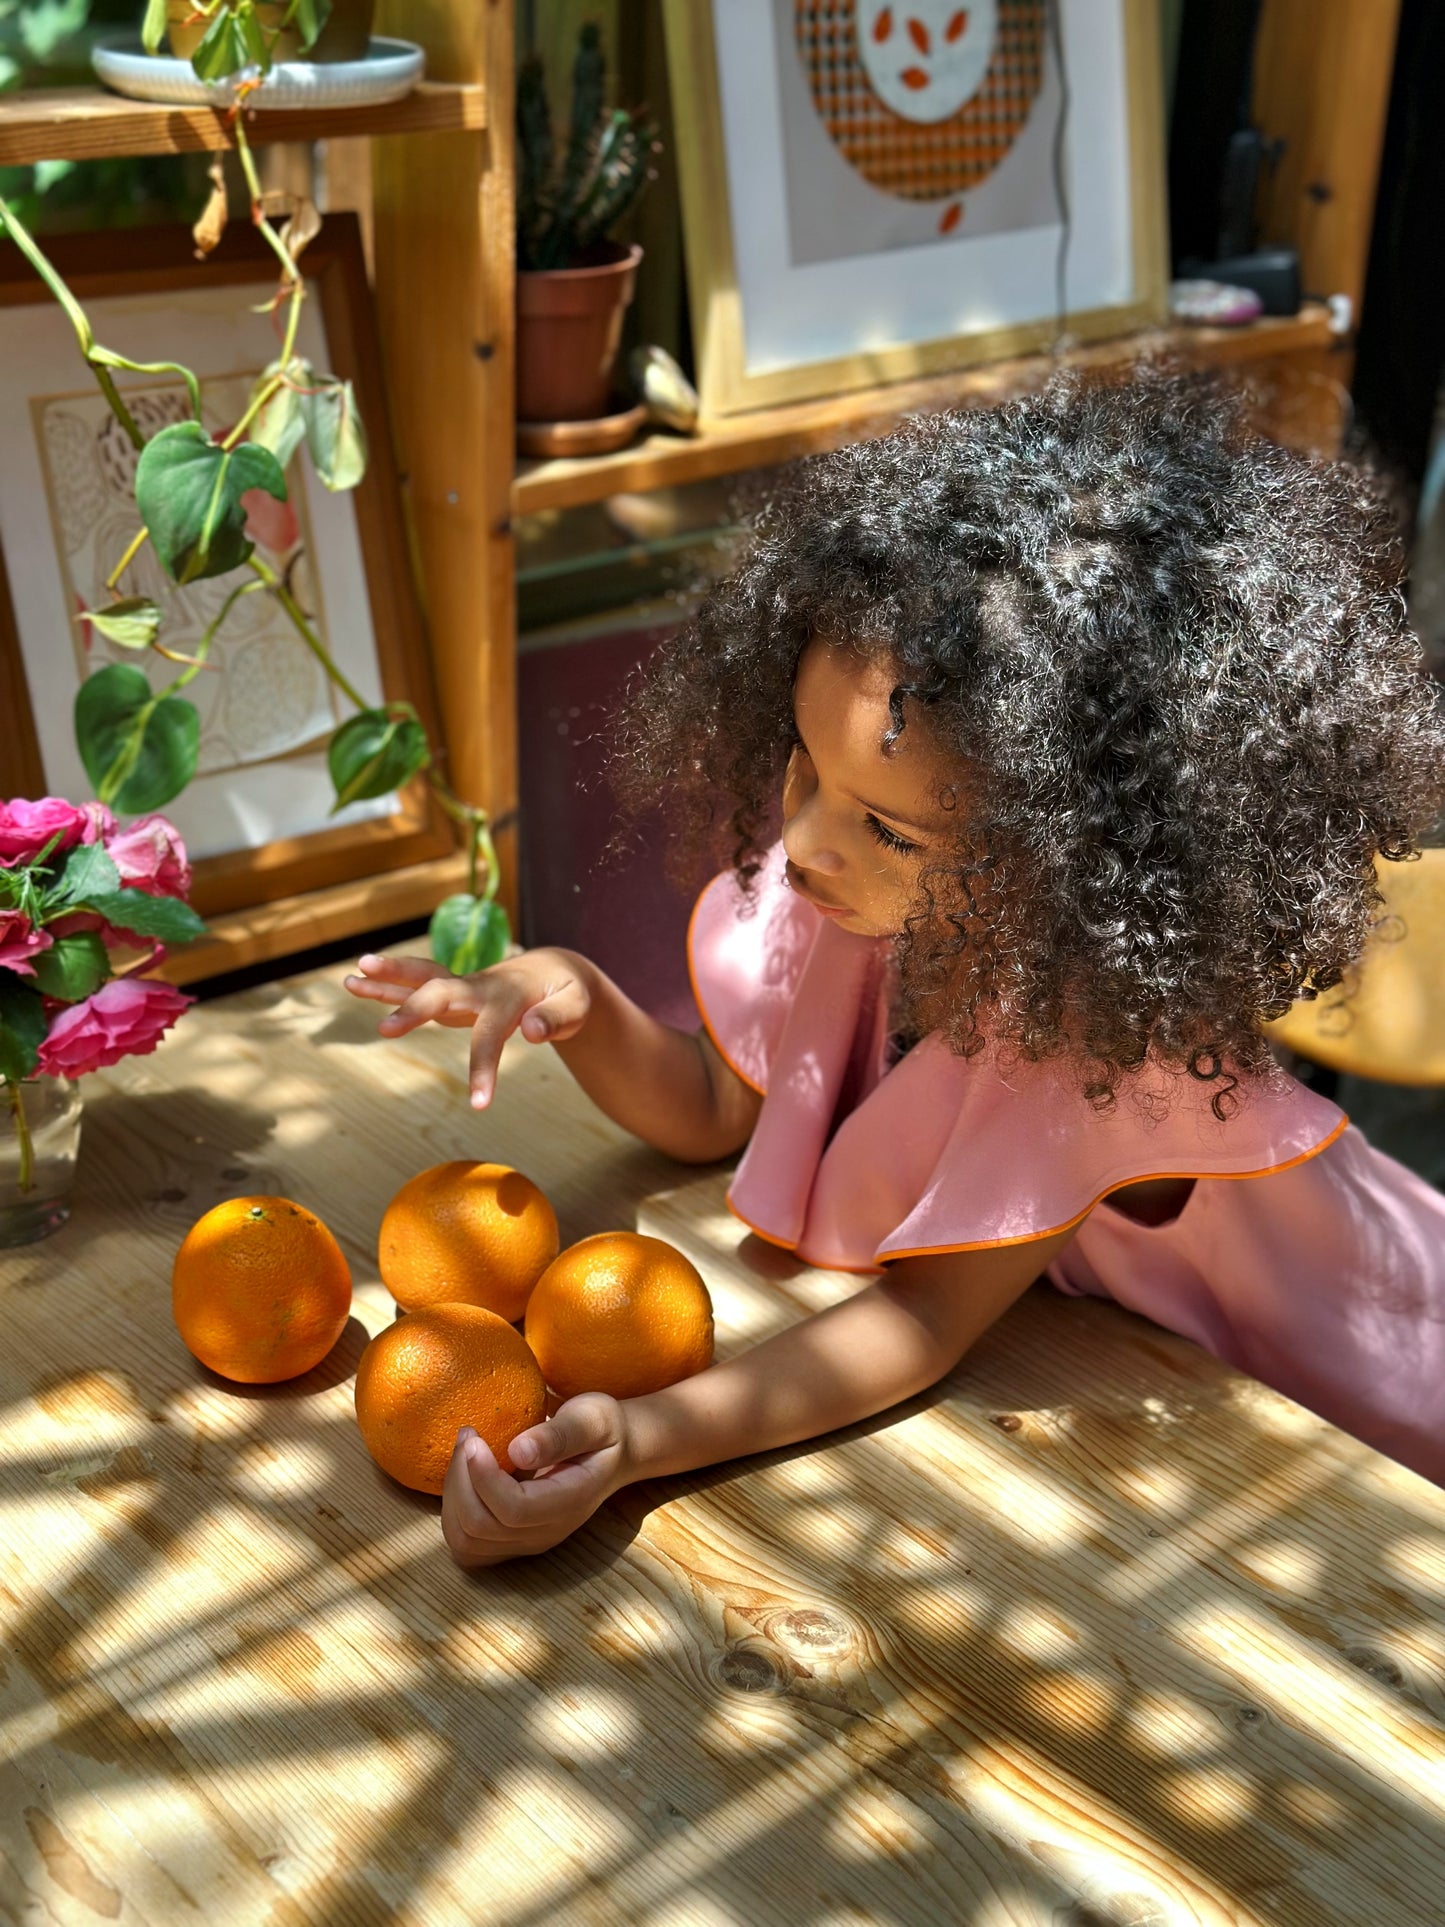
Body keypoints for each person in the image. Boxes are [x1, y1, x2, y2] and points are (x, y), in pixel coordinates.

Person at [345, 370, 1445, 1565]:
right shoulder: (848, 905)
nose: (807, 842)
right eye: (804, 769)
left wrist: (644, 1438)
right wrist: (580, 1000)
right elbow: (718, 1106)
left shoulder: (1092, 1044)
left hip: (1372, 1396)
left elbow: (920, 1324)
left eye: (885, 827)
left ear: (1066, 860)